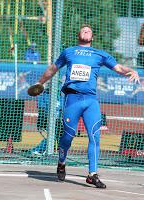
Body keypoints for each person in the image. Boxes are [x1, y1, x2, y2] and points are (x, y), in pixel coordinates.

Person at [36, 24, 140, 188]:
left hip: (91, 101)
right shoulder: (69, 51)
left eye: (89, 31)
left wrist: (131, 71)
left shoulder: (99, 54)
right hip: (72, 98)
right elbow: (53, 68)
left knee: (95, 136)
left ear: (92, 37)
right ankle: (61, 162)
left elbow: (119, 68)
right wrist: (40, 82)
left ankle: (92, 174)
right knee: (68, 136)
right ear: (79, 35)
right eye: (83, 30)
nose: (86, 31)